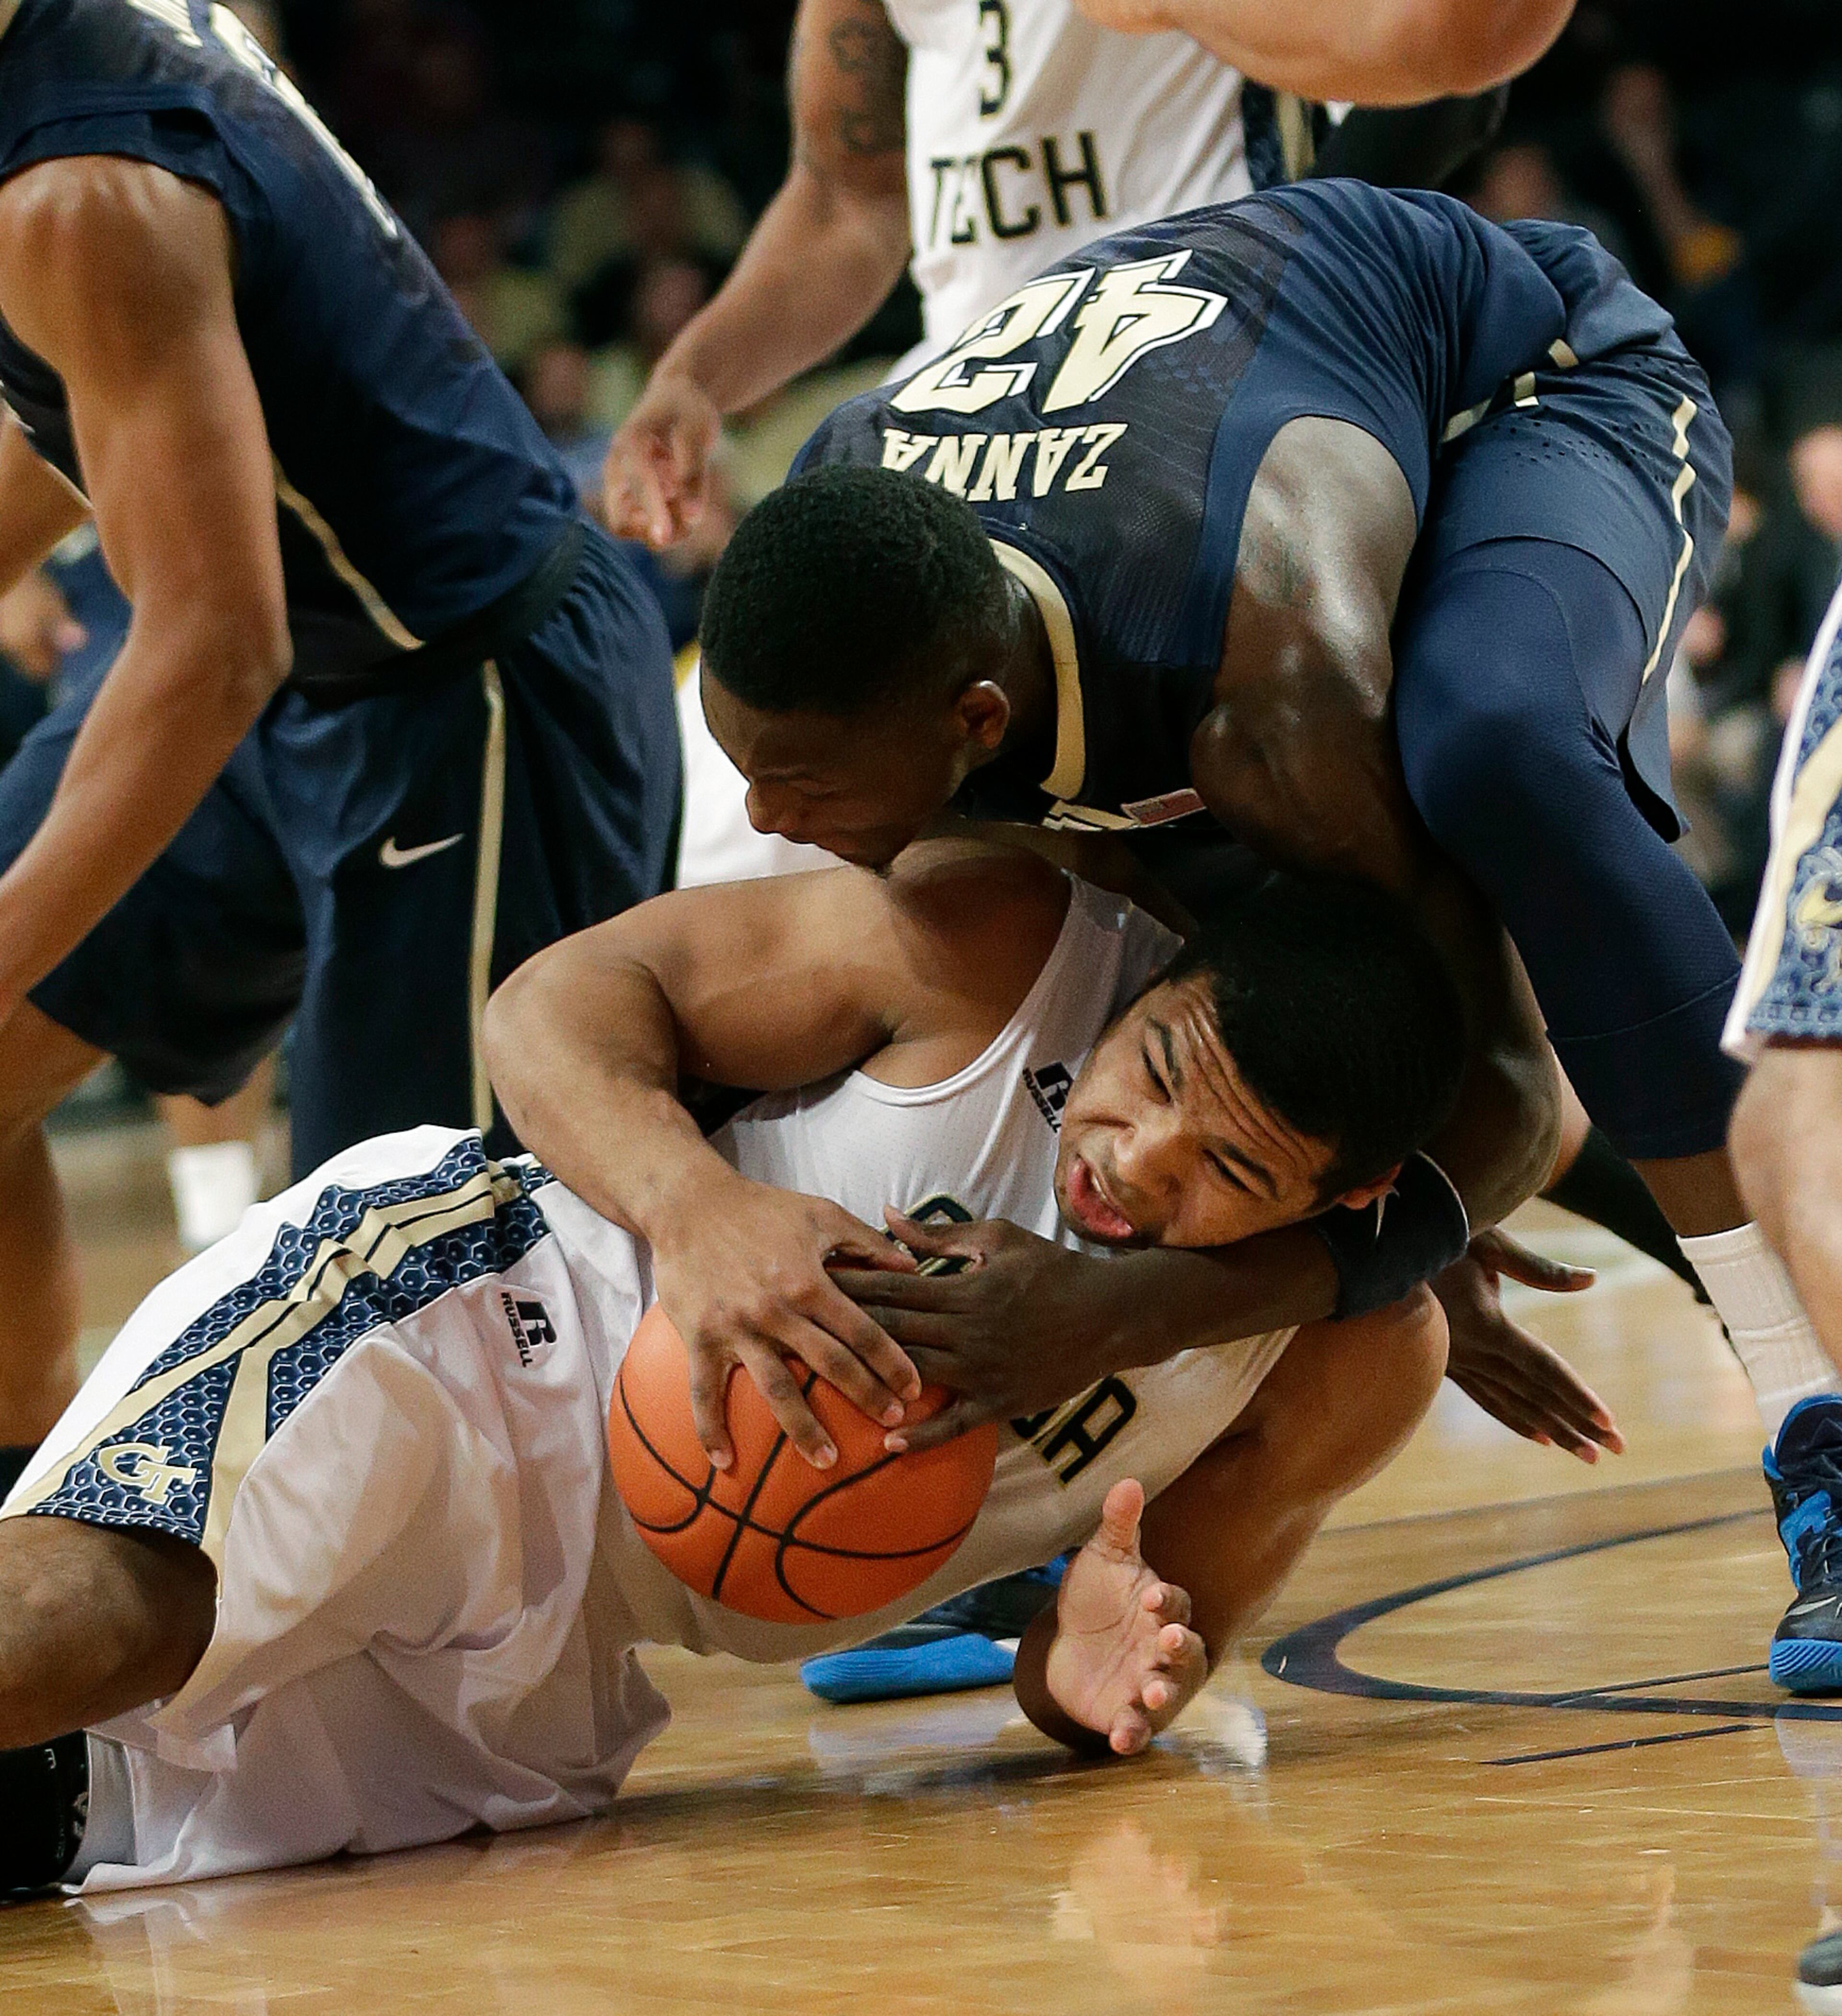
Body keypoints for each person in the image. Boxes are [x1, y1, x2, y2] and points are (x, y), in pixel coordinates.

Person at [643, 177, 1842, 1684]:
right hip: (1219, 450)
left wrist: (1208, 1290)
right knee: (1081, 994)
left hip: (1528, 396)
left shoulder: (1268, 689)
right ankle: (1045, 1511)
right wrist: (1394, 1243)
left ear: (976, 722)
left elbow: (1500, 1088)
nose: (762, 818)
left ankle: (1820, 1407)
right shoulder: (853, 542)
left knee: (1500, 748)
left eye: (801, 785)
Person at [0, 842, 1465, 1893]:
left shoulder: (1345, 1365)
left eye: (1227, 1167)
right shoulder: (1016, 946)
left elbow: (1098, 1673)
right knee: (97, 1620)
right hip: (487, 1327)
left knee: (51, 1809)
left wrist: (1087, 1679)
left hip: (583, 1650)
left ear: (1347, 1199)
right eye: (1150, 1074)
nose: (1132, 1163)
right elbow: (553, 1005)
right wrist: (698, 1208)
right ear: (1156, 983)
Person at [0, 0, 680, 1483]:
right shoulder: (82, 68)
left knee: (418, 1338)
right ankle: (22, 1584)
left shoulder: (78, 184)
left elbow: (212, 645)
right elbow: (92, 403)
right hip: (308, 666)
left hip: (470, 691)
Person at [600, 0, 1530, 553]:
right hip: (966, 394)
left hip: (1196, 355)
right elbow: (851, 200)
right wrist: (694, 377)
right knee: (746, 801)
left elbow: (1427, 47)